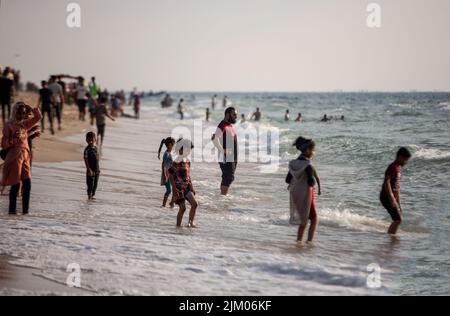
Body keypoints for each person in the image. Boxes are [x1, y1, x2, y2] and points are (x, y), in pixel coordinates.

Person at [1, 102, 42, 215]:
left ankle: (25, 213)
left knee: (27, 184)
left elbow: (38, 117)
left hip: (25, 157)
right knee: (16, 185)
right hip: (14, 157)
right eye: (19, 112)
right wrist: (14, 139)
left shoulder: (25, 124)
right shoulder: (8, 125)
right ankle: (12, 212)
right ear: (14, 112)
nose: (21, 115)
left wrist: (30, 108)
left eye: (23, 113)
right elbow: (4, 144)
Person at [286, 137, 320, 243]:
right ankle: (309, 242)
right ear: (308, 151)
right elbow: (311, 182)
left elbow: (288, 180)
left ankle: (299, 241)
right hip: (306, 196)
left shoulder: (293, 164)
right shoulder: (308, 166)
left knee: (303, 221)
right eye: (313, 150)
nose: (314, 153)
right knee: (314, 219)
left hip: (296, 195)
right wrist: (313, 176)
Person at [380, 147, 412, 235]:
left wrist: (399, 203)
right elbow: (387, 181)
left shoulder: (398, 168)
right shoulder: (392, 167)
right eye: (405, 160)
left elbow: (397, 188)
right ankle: (390, 237)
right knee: (398, 219)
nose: (406, 162)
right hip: (386, 197)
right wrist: (391, 198)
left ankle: (391, 236)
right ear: (400, 157)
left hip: (392, 197)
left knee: (398, 219)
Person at [169, 138, 198, 228]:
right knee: (183, 208)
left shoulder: (188, 161)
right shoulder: (176, 161)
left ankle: (190, 223)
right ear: (181, 149)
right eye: (187, 149)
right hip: (178, 188)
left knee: (195, 204)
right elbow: (170, 175)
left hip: (187, 187)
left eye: (190, 150)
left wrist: (192, 187)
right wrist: (174, 190)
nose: (189, 151)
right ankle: (178, 226)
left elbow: (188, 176)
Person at [212, 107, 238, 196]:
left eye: (236, 115)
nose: (236, 116)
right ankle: (223, 197)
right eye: (234, 114)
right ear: (227, 115)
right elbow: (215, 139)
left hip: (232, 157)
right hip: (225, 157)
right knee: (229, 177)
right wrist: (222, 150)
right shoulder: (222, 125)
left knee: (227, 177)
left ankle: (222, 196)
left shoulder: (230, 126)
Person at [158, 137, 176, 208]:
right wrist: (165, 175)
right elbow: (164, 165)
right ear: (169, 145)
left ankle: (171, 203)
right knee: (169, 190)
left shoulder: (168, 153)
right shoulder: (167, 154)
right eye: (173, 145)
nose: (173, 147)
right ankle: (163, 205)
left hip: (170, 174)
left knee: (174, 189)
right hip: (167, 175)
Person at [84, 132, 100, 200]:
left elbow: (97, 159)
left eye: (92, 140)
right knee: (90, 185)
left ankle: (91, 198)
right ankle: (89, 197)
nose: (90, 142)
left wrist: (98, 170)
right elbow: (85, 159)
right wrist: (88, 169)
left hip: (96, 170)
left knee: (95, 186)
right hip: (90, 170)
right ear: (86, 140)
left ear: (95, 140)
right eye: (89, 140)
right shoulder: (87, 150)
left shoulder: (96, 148)